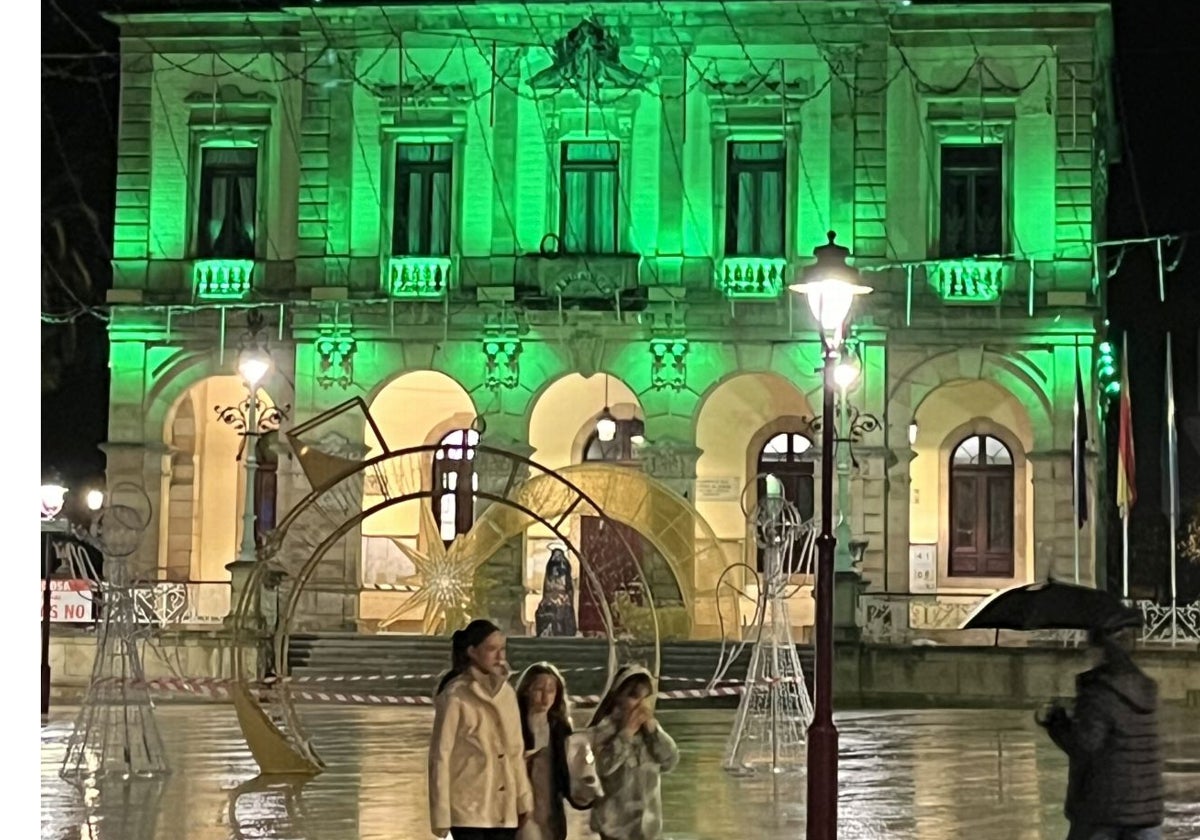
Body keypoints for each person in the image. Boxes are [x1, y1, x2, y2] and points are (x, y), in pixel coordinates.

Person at [1038, 626, 1164, 840]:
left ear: (1101, 650)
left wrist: (1057, 722)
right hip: (1145, 809)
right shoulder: (1145, 688)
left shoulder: (1098, 691)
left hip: (1102, 810)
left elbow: (1085, 745)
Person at [428, 619, 533, 840]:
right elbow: (440, 756)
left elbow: (516, 752)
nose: (500, 657)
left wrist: (523, 800)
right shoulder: (455, 696)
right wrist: (441, 815)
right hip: (468, 810)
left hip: (505, 809)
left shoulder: (507, 695)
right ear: (472, 652)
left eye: (502, 649)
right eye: (491, 649)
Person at [587, 664, 679, 840]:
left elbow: (671, 760)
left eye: (646, 697)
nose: (641, 704)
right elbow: (600, 769)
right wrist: (626, 733)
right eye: (634, 696)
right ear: (618, 698)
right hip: (616, 832)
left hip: (649, 830)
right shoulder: (601, 732)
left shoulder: (651, 732)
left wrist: (653, 731)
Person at [515, 662, 576, 840]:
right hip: (520, 809)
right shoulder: (513, 724)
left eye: (551, 690)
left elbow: (567, 773)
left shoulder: (561, 728)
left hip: (550, 810)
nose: (545, 696)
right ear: (527, 690)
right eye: (539, 689)